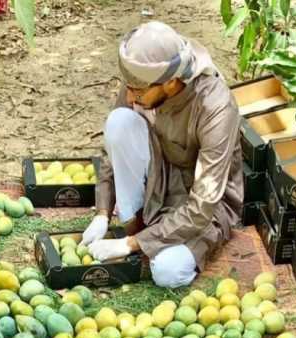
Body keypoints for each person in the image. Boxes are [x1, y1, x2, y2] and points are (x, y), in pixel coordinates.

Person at [81, 21, 243, 288]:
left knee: (168, 273)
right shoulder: (141, 81)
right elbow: (114, 150)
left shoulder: (215, 107)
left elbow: (202, 207)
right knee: (120, 121)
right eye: (128, 87)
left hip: (204, 204)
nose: (130, 96)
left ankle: (145, 238)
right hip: (161, 175)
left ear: (170, 83)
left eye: (138, 91)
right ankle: (138, 224)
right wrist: (102, 212)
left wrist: (131, 244)